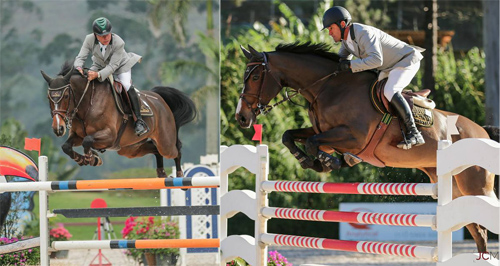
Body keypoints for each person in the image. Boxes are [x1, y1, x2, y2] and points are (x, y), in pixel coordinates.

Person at [322, 6, 425, 150]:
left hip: (406, 61)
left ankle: (414, 132)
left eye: (331, 28)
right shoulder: (346, 41)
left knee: (390, 90)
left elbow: (376, 60)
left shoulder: (363, 33)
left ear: (343, 24)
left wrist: (350, 65)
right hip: (390, 67)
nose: (330, 33)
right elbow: (340, 61)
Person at [74, 17, 149, 136]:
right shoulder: (89, 39)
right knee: (86, 82)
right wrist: (78, 67)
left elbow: (113, 66)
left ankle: (138, 121)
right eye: (102, 36)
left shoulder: (119, 42)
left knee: (126, 84)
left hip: (120, 67)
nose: (106, 38)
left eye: (108, 34)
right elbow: (81, 57)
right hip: (99, 65)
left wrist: (98, 75)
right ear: (95, 35)